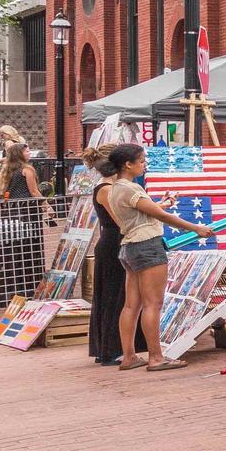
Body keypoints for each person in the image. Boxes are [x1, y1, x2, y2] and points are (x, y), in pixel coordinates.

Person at [95, 144, 212, 372]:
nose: (144, 165)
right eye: (141, 161)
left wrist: (166, 203)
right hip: (147, 246)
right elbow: (159, 215)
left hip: (128, 246)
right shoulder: (131, 188)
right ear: (128, 164)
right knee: (153, 304)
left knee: (131, 305)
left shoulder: (115, 188)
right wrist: (195, 228)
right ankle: (156, 357)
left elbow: (146, 210)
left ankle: (129, 356)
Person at [86, 149, 135, 365]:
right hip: (112, 242)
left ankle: (106, 348)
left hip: (111, 240)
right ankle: (109, 349)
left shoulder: (105, 187)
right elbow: (120, 218)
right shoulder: (106, 189)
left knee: (113, 295)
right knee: (113, 296)